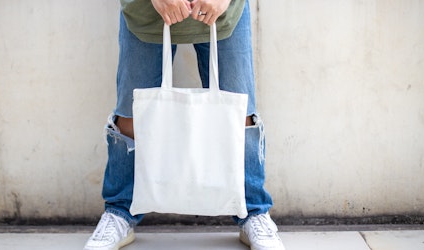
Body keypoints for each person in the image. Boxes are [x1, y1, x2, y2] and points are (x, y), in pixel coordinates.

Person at [84, 0, 285, 249]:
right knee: (131, 113)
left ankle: (253, 212)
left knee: (240, 113)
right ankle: (119, 211)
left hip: (223, 11)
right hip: (145, 11)